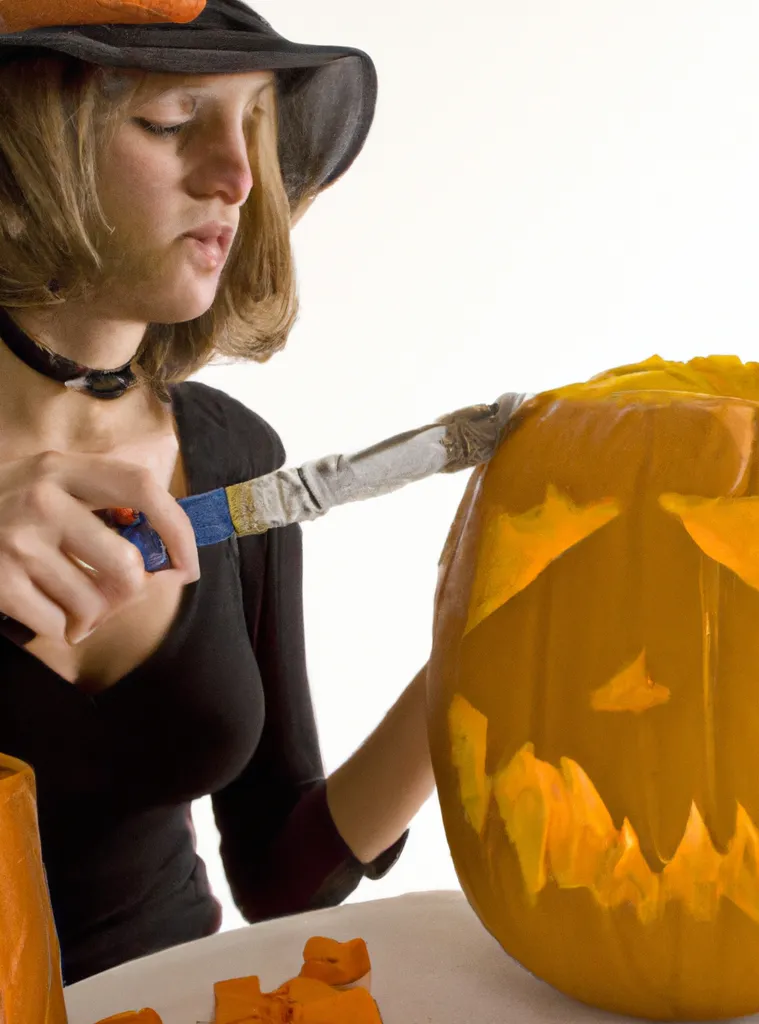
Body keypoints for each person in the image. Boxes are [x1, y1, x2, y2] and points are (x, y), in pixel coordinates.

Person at [0, 0, 460, 986]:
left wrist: (473, 668)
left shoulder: (236, 458)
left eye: (251, 124)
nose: (239, 177)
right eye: (171, 122)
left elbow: (283, 876)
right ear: (24, 150)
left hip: (165, 1004)